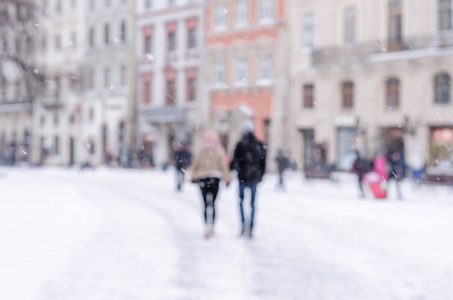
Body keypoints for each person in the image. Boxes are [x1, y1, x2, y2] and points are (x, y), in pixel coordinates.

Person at [190, 130, 231, 238]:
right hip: (215, 179)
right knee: (213, 204)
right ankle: (211, 225)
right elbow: (223, 166)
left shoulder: (201, 151)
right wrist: (227, 178)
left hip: (202, 179)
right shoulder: (218, 151)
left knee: (204, 204)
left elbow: (195, 165)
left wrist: (193, 176)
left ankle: (206, 226)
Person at [230, 121, 266, 238]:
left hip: (243, 178)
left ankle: (243, 225)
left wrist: (237, 170)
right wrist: (260, 175)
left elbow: (235, 161)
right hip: (253, 177)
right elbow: (262, 162)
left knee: (241, 202)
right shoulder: (258, 144)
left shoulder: (240, 144)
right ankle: (250, 227)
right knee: (252, 204)